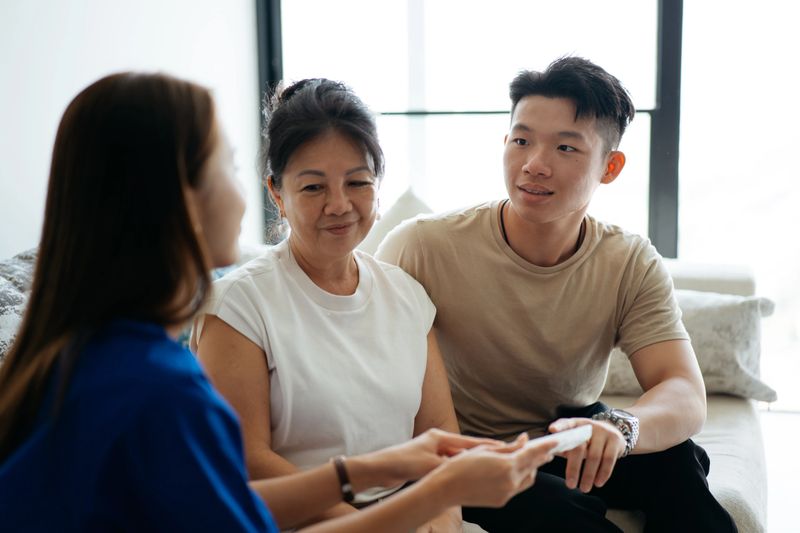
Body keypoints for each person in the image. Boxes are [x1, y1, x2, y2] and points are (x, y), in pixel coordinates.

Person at [0, 72, 559, 533]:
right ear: (173, 201)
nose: (241, 194)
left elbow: (225, 511)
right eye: (227, 167)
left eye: (357, 182)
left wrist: (396, 471)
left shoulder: (102, 356)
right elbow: (247, 505)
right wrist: (430, 492)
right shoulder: (157, 387)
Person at [376, 56, 738, 532]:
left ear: (610, 167)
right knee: (559, 512)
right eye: (522, 141)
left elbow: (683, 391)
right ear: (505, 142)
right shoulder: (422, 245)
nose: (534, 165)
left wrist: (619, 428)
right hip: (467, 449)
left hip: (569, 431)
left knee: (679, 462)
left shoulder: (628, 259)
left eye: (566, 148)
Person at [193, 78, 474, 531]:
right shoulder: (238, 306)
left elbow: (439, 437)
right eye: (313, 188)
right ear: (276, 194)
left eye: (358, 182)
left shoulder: (406, 294)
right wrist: (383, 523)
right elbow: (247, 460)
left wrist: (442, 516)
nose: (339, 205)